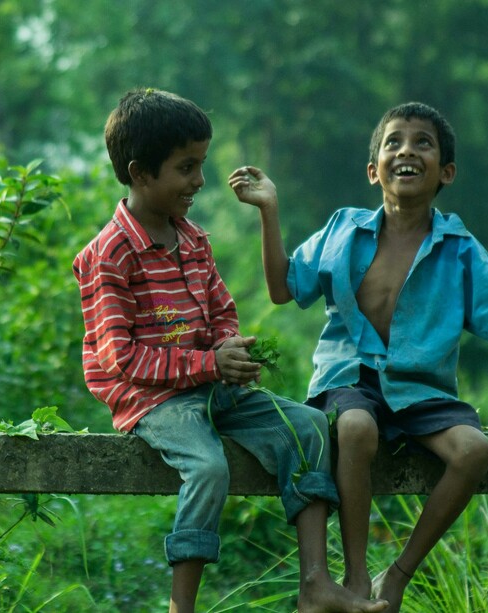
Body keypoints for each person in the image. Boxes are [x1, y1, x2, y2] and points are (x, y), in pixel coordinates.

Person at [228, 101, 488, 612]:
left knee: (474, 450)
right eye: (394, 142)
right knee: (356, 427)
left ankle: (397, 574)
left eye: (422, 143)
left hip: (420, 388)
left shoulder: (459, 247)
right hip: (350, 379)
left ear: (446, 172)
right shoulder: (343, 229)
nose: (407, 151)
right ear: (373, 170)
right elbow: (282, 287)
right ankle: (355, 577)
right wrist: (269, 209)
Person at [73, 88, 389, 613]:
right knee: (209, 468)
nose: (200, 180)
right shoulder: (109, 254)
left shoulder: (194, 240)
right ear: (140, 173)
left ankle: (315, 583)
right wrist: (207, 363)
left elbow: (221, 309)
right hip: (152, 401)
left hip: (211, 385)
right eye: (186, 168)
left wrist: (229, 348)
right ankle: (182, 606)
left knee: (310, 426)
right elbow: (119, 359)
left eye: (201, 164)